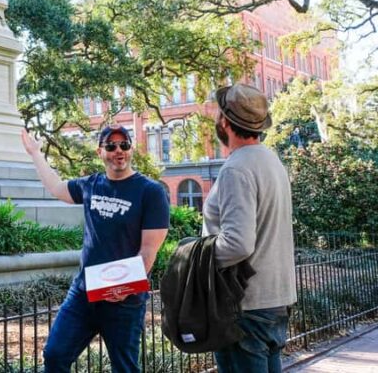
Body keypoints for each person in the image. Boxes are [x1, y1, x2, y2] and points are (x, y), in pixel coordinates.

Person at [21, 124, 170, 373]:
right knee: (55, 355)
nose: (118, 151)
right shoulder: (91, 184)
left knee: (125, 368)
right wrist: (36, 153)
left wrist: (124, 287)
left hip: (124, 301)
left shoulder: (150, 192)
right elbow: (58, 189)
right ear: (100, 151)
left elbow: (148, 251)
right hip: (83, 294)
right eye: (111, 146)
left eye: (124, 145)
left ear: (130, 149)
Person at [204, 84, 296, 373]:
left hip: (245, 304)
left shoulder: (236, 168)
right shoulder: (272, 161)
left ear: (224, 122)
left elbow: (238, 244)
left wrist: (195, 257)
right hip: (275, 299)